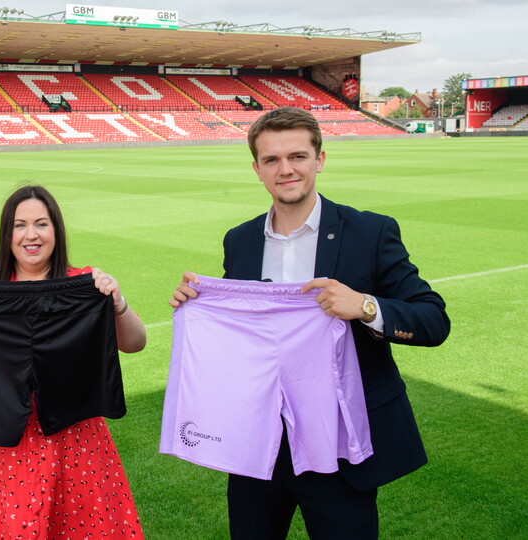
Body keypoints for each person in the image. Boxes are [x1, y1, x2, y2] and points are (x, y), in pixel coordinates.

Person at [169, 107, 450, 539]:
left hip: (339, 446)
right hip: (258, 443)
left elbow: (433, 319)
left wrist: (365, 306)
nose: (286, 169)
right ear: (257, 169)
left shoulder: (369, 232)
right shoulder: (240, 240)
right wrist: (199, 305)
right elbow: (241, 334)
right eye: (272, 160)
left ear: (319, 159)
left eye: (297, 156)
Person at [0, 185, 146, 538]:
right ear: (7, 234)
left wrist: (117, 303)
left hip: (75, 435)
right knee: (15, 528)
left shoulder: (84, 283)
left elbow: (135, 343)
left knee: (84, 526)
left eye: (41, 224)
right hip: (5, 440)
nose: (30, 235)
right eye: (20, 225)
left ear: (56, 230)